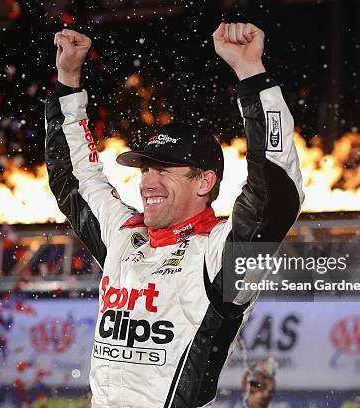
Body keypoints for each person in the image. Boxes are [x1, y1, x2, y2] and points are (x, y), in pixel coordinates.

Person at [45, 22, 304, 408]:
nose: (147, 182)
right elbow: (73, 176)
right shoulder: (123, 234)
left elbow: (276, 195)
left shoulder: (220, 255)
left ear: (204, 183)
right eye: (145, 168)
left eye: (163, 170)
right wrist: (68, 80)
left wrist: (251, 74)